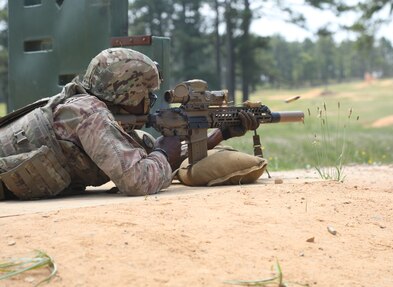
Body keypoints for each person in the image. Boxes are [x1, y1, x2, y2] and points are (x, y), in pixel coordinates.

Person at [0, 48, 258, 200]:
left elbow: (149, 158)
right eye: (146, 94)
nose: (150, 100)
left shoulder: (92, 112)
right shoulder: (88, 114)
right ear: (128, 94)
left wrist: (219, 134)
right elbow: (138, 181)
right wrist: (162, 153)